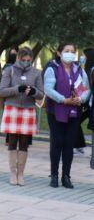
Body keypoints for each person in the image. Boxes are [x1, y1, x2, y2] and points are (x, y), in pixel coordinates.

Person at [44, 43, 91, 189]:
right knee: (57, 142)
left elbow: (86, 89)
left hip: (74, 112)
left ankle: (66, 176)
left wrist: (81, 99)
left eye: (72, 51)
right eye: (66, 51)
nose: (70, 54)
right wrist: (63, 100)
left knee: (69, 144)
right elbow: (48, 89)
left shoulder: (79, 70)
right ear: (59, 53)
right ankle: (54, 175)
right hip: (55, 111)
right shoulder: (52, 68)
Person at [0, 47, 44, 186]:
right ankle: (13, 173)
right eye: (23, 60)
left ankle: (21, 173)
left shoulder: (36, 73)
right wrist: (16, 89)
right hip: (12, 108)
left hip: (28, 110)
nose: (25, 63)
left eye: (28, 60)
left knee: (24, 144)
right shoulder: (9, 70)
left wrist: (33, 92)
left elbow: (41, 94)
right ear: (18, 58)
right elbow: (1, 91)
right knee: (12, 142)